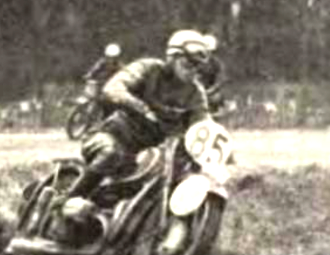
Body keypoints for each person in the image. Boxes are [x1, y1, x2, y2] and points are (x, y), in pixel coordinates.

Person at [54, 30, 212, 241]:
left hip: (148, 154)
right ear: (173, 57)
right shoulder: (149, 69)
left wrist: (213, 148)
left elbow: (203, 123)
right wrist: (141, 108)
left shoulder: (195, 93)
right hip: (112, 135)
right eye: (187, 63)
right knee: (111, 153)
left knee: (176, 175)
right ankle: (63, 206)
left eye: (198, 66)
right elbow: (113, 88)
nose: (193, 69)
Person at [199, 34, 227, 113]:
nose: (206, 53)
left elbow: (220, 79)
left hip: (210, 91)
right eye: (204, 50)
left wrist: (211, 90)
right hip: (195, 90)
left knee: (216, 98)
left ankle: (215, 110)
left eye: (209, 51)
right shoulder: (194, 62)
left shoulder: (216, 63)